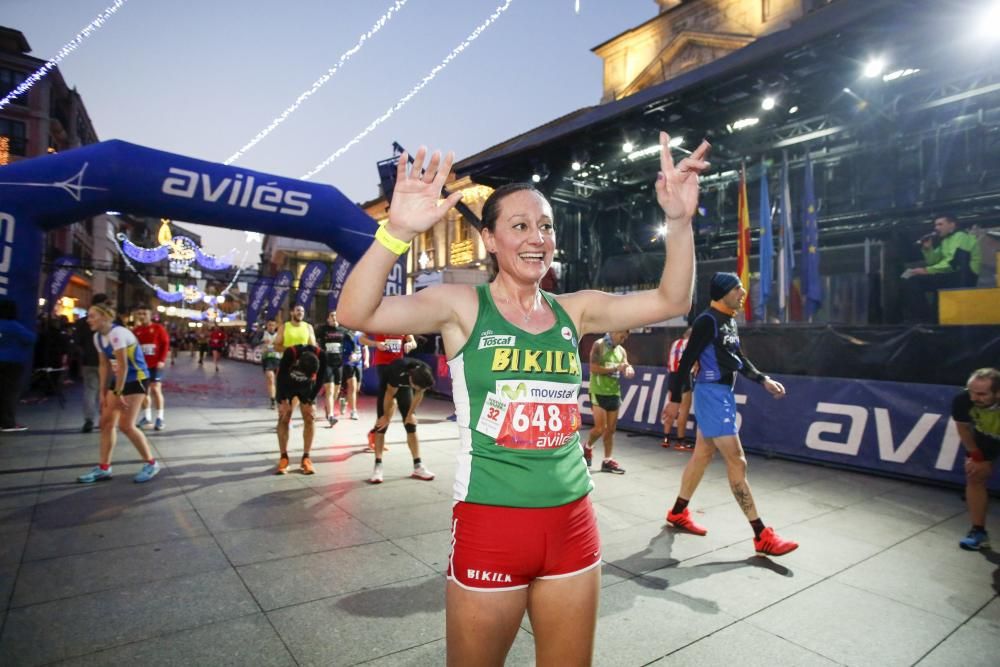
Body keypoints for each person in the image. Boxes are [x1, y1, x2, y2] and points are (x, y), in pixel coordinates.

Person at [337, 133, 706, 665]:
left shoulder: (574, 310)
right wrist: (395, 231)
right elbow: (355, 313)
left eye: (546, 226)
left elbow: (673, 299)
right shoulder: (462, 306)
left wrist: (678, 220)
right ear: (489, 239)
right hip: (491, 526)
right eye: (520, 226)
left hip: (573, 526)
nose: (538, 238)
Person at [664, 272, 797, 556]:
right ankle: (761, 534)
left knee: (701, 456)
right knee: (737, 461)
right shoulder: (707, 320)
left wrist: (762, 379)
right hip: (711, 395)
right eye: (737, 288)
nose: (743, 292)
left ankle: (678, 512)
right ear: (723, 291)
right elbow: (686, 361)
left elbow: (738, 359)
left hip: (721, 394)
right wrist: (675, 400)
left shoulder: (729, 322)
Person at [77, 303, 160, 483]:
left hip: (136, 379)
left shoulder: (118, 333)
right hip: (120, 380)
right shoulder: (98, 337)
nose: (88, 319)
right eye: (88, 315)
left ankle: (151, 463)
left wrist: (118, 391)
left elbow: (123, 365)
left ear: (106, 318)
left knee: (126, 425)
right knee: (106, 422)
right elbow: (104, 364)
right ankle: (104, 468)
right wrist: (102, 391)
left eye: (92, 316)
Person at [368, 356, 436, 484]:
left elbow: (419, 392)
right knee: (381, 426)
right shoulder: (397, 371)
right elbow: (390, 394)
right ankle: (378, 466)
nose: (418, 389)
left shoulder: (425, 372)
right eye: (416, 387)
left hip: (405, 388)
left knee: (411, 425)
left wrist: (410, 414)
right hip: (388, 387)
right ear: (411, 379)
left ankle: (418, 466)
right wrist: (386, 417)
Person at [901, 214, 982, 323]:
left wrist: (926, 270)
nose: (936, 228)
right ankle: (932, 321)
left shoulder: (962, 237)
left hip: (964, 277)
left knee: (914, 280)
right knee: (910, 279)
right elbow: (933, 262)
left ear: (952, 225)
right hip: (951, 275)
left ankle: (922, 319)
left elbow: (954, 263)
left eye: (940, 224)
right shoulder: (946, 241)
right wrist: (928, 249)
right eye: (935, 225)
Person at [953, 367, 1000, 551]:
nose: (974, 398)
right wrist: (977, 456)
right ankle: (978, 532)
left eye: (981, 394)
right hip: (986, 437)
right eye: (971, 391)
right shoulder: (963, 400)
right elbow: (963, 429)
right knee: (974, 475)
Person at [583, 330, 633, 473]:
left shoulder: (621, 351)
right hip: (598, 391)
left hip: (614, 392)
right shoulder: (598, 345)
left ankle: (607, 460)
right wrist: (615, 368)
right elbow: (593, 367)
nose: (623, 340)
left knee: (610, 430)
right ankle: (587, 447)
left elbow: (626, 365)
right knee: (600, 429)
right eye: (621, 336)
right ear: (614, 331)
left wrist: (628, 370)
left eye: (625, 338)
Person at [274, 343, 327, 475]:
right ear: (298, 362)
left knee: (310, 417)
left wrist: (310, 399)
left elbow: (320, 380)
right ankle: (284, 457)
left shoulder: (322, 356)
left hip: (307, 388)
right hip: (287, 385)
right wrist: (283, 400)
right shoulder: (290, 352)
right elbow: (280, 378)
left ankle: (306, 457)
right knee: (284, 417)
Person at [360, 332, 416, 449]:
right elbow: (361, 339)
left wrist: (410, 344)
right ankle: (376, 435)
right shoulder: (378, 323)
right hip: (383, 366)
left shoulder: (402, 324)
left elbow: (413, 341)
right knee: (388, 402)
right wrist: (376, 344)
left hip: (399, 365)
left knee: (392, 403)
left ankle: (375, 433)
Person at [0, 299, 37, 432]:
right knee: (10, 392)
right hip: (13, 363)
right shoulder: (14, 326)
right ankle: (8, 423)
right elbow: (31, 338)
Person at [132, 304, 170, 431]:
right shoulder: (135, 331)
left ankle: (160, 418)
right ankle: (146, 417)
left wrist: (162, 360)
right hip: (141, 366)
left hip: (155, 365)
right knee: (143, 392)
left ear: (150, 315)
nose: (142, 316)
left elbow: (165, 344)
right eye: (140, 314)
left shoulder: (158, 328)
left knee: (155, 390)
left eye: (144, 313)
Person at [75, 294, 107, 433]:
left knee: (90, 390)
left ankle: (88, 420)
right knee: (105, 391)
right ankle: (104, 420)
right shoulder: (109, 320)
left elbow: (77, 342)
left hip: (88, 360)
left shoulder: (82, 322)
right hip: (106, 361)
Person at [314, 310, 350, 426]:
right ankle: (330, 415)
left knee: (337, 390)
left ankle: (328, 407)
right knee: (329, 389)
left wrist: (353, 352)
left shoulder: (343, 331)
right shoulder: (322, 330)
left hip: (338, 363)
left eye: (336, 316)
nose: (334, 318)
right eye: (332, 316)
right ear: (328, 319)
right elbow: (312, 338)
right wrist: (316, 348)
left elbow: (353, 342)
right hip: (326, 363)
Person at [662, 327, 694, 450]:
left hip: (672, 377)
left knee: (672, 407)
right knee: (684, 410)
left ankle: (666, 437)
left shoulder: (675, 343)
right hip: (685, 376)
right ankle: (681, 441)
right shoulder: (690, 344)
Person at [340, 329, 367, 420]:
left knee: (357, 388)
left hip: (358, 363)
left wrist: (366, 360)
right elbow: (341, 349)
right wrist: (348, 356)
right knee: (352, 386)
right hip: (348, 362)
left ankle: (345, 401)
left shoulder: (362, 334)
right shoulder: (345, 335)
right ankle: (353, 411)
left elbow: (365, 349)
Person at [256, 319, 281, 408]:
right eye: (269, 325)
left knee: (280, 381)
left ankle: (280, 399)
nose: (271, 327)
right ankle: (272, 400)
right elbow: (253, 342)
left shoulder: (279, 334)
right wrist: (263, 342)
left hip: (278, 359)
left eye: (273, 325)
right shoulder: (262, 334)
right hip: (267, 359)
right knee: (271, 379)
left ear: (276, 326)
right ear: (267, 325)